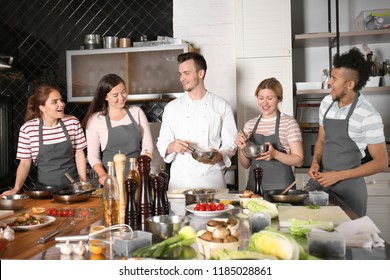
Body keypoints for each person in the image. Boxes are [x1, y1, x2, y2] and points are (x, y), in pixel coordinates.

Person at [307, 48, 388, 217]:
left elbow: (381, 162)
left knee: (349, 241)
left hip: (349, 190)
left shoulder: (368, 115)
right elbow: (321, 140)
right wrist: (315, 162)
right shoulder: (327, 102)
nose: (329, 82)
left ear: (349, 84)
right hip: (323, 182)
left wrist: (338, 176)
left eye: (334, 78)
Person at [157, 52, 237, 190]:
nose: (182, 78)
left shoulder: (221, 106)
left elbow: (231, 143)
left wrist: (219, 155)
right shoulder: (172, 108)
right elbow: (162, 143)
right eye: (180, 74)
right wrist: (172, 146)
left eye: (186, 73)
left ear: (201, 74)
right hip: (180, 184)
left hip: (212, 182)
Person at [0, 83, 87, 196]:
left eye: (61, 100)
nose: (61, 104)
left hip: (72, 188)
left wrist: (83, 183)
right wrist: (16, 188)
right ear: (42, 107)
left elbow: (79, 154)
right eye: (54, 102)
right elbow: (25, 163)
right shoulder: (28, 129)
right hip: (44, 191)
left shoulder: (72, 123)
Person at [82, 74, 153, 185]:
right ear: (105, 97)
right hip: (111, 181)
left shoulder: (136, 112)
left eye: (123, 92)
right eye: (115, 95)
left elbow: (147, 147)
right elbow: (92, 155)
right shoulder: (95, 120)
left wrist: (139, 171)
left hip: (138, 178)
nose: (121, 98)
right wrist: (103, 175)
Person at [236, 77, 303, 192]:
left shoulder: (288, 123)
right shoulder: (250, 125)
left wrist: (275, 154)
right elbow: (245, 164)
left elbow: (299, 160)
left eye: (270, 98)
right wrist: (242, 148)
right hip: (254, 189)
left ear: (279, 99)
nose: (264, 103)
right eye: (261, 98)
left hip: (282, 191)